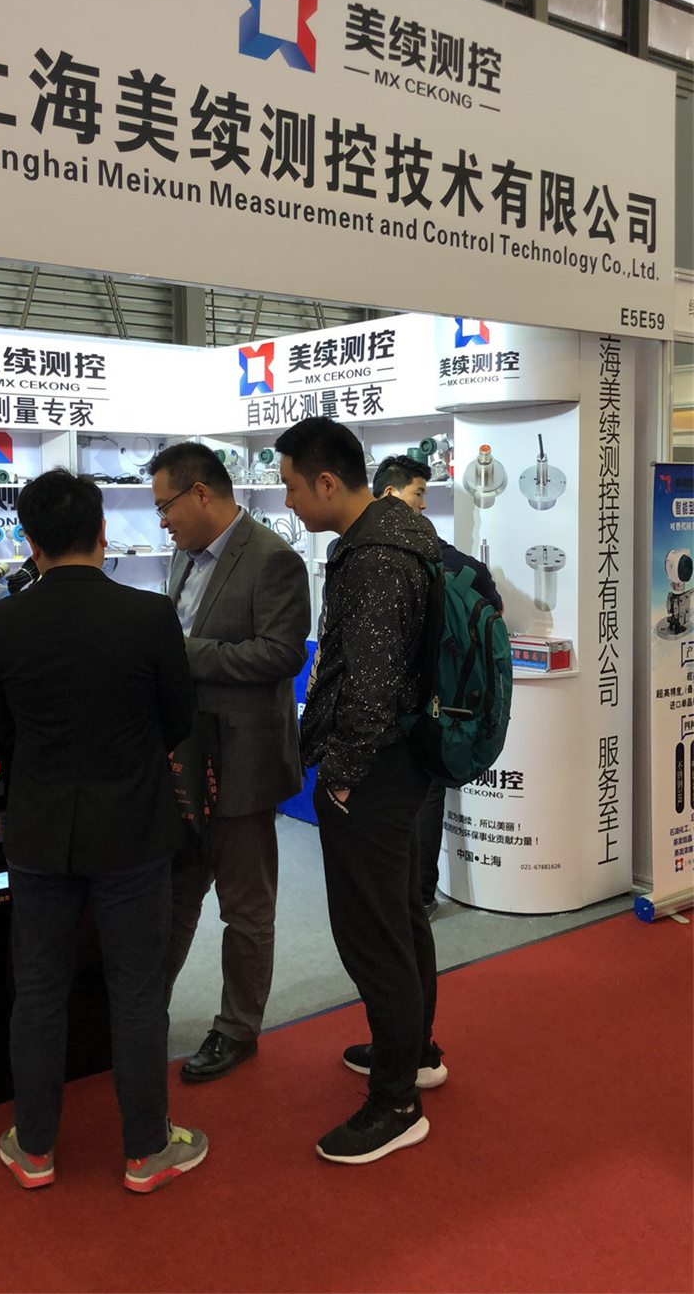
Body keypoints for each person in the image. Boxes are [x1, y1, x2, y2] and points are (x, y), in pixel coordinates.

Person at [0, 468, 207, 1194]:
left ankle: (34, 1148)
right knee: (137, 992)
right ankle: (145, 1150)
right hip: (134, 829)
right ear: (103, 533)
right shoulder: (149, 615)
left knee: (38, 990)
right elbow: (178, 716)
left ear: (30, 540)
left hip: (40, 829)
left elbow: (3, 727)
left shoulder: (0, 622)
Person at [275, 418, 446, 1167]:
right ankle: (414, 1051)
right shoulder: (402, 536)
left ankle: (396, 1102)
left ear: (326, 481)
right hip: (403, 760)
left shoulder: (375, 556)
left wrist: (339, 777)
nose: (288, 500)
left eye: (291, 485)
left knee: (374, 934)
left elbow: (370, 689)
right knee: (400, 917)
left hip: (374, 772)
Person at [149, 442, 310, 1083]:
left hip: (243, 760)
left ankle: (237, 1029)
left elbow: (282, 655)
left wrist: (184, 652)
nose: (162, 520)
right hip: (185, 757)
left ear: (200, 493)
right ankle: (140, 1013)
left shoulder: (273, 558)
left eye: (166, 506)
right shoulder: (183, 557)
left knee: (245, 907)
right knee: (175, 893)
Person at [372, 455, 504, 913]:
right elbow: (493, 612)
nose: (424, 504)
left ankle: (403, 897)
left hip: (390, 707)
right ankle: (419, 898)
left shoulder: (359, 556)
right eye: (419, 494)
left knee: (398, 799)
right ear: (392, 494)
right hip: (440, 706)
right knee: (425, 796)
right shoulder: (457, 564)